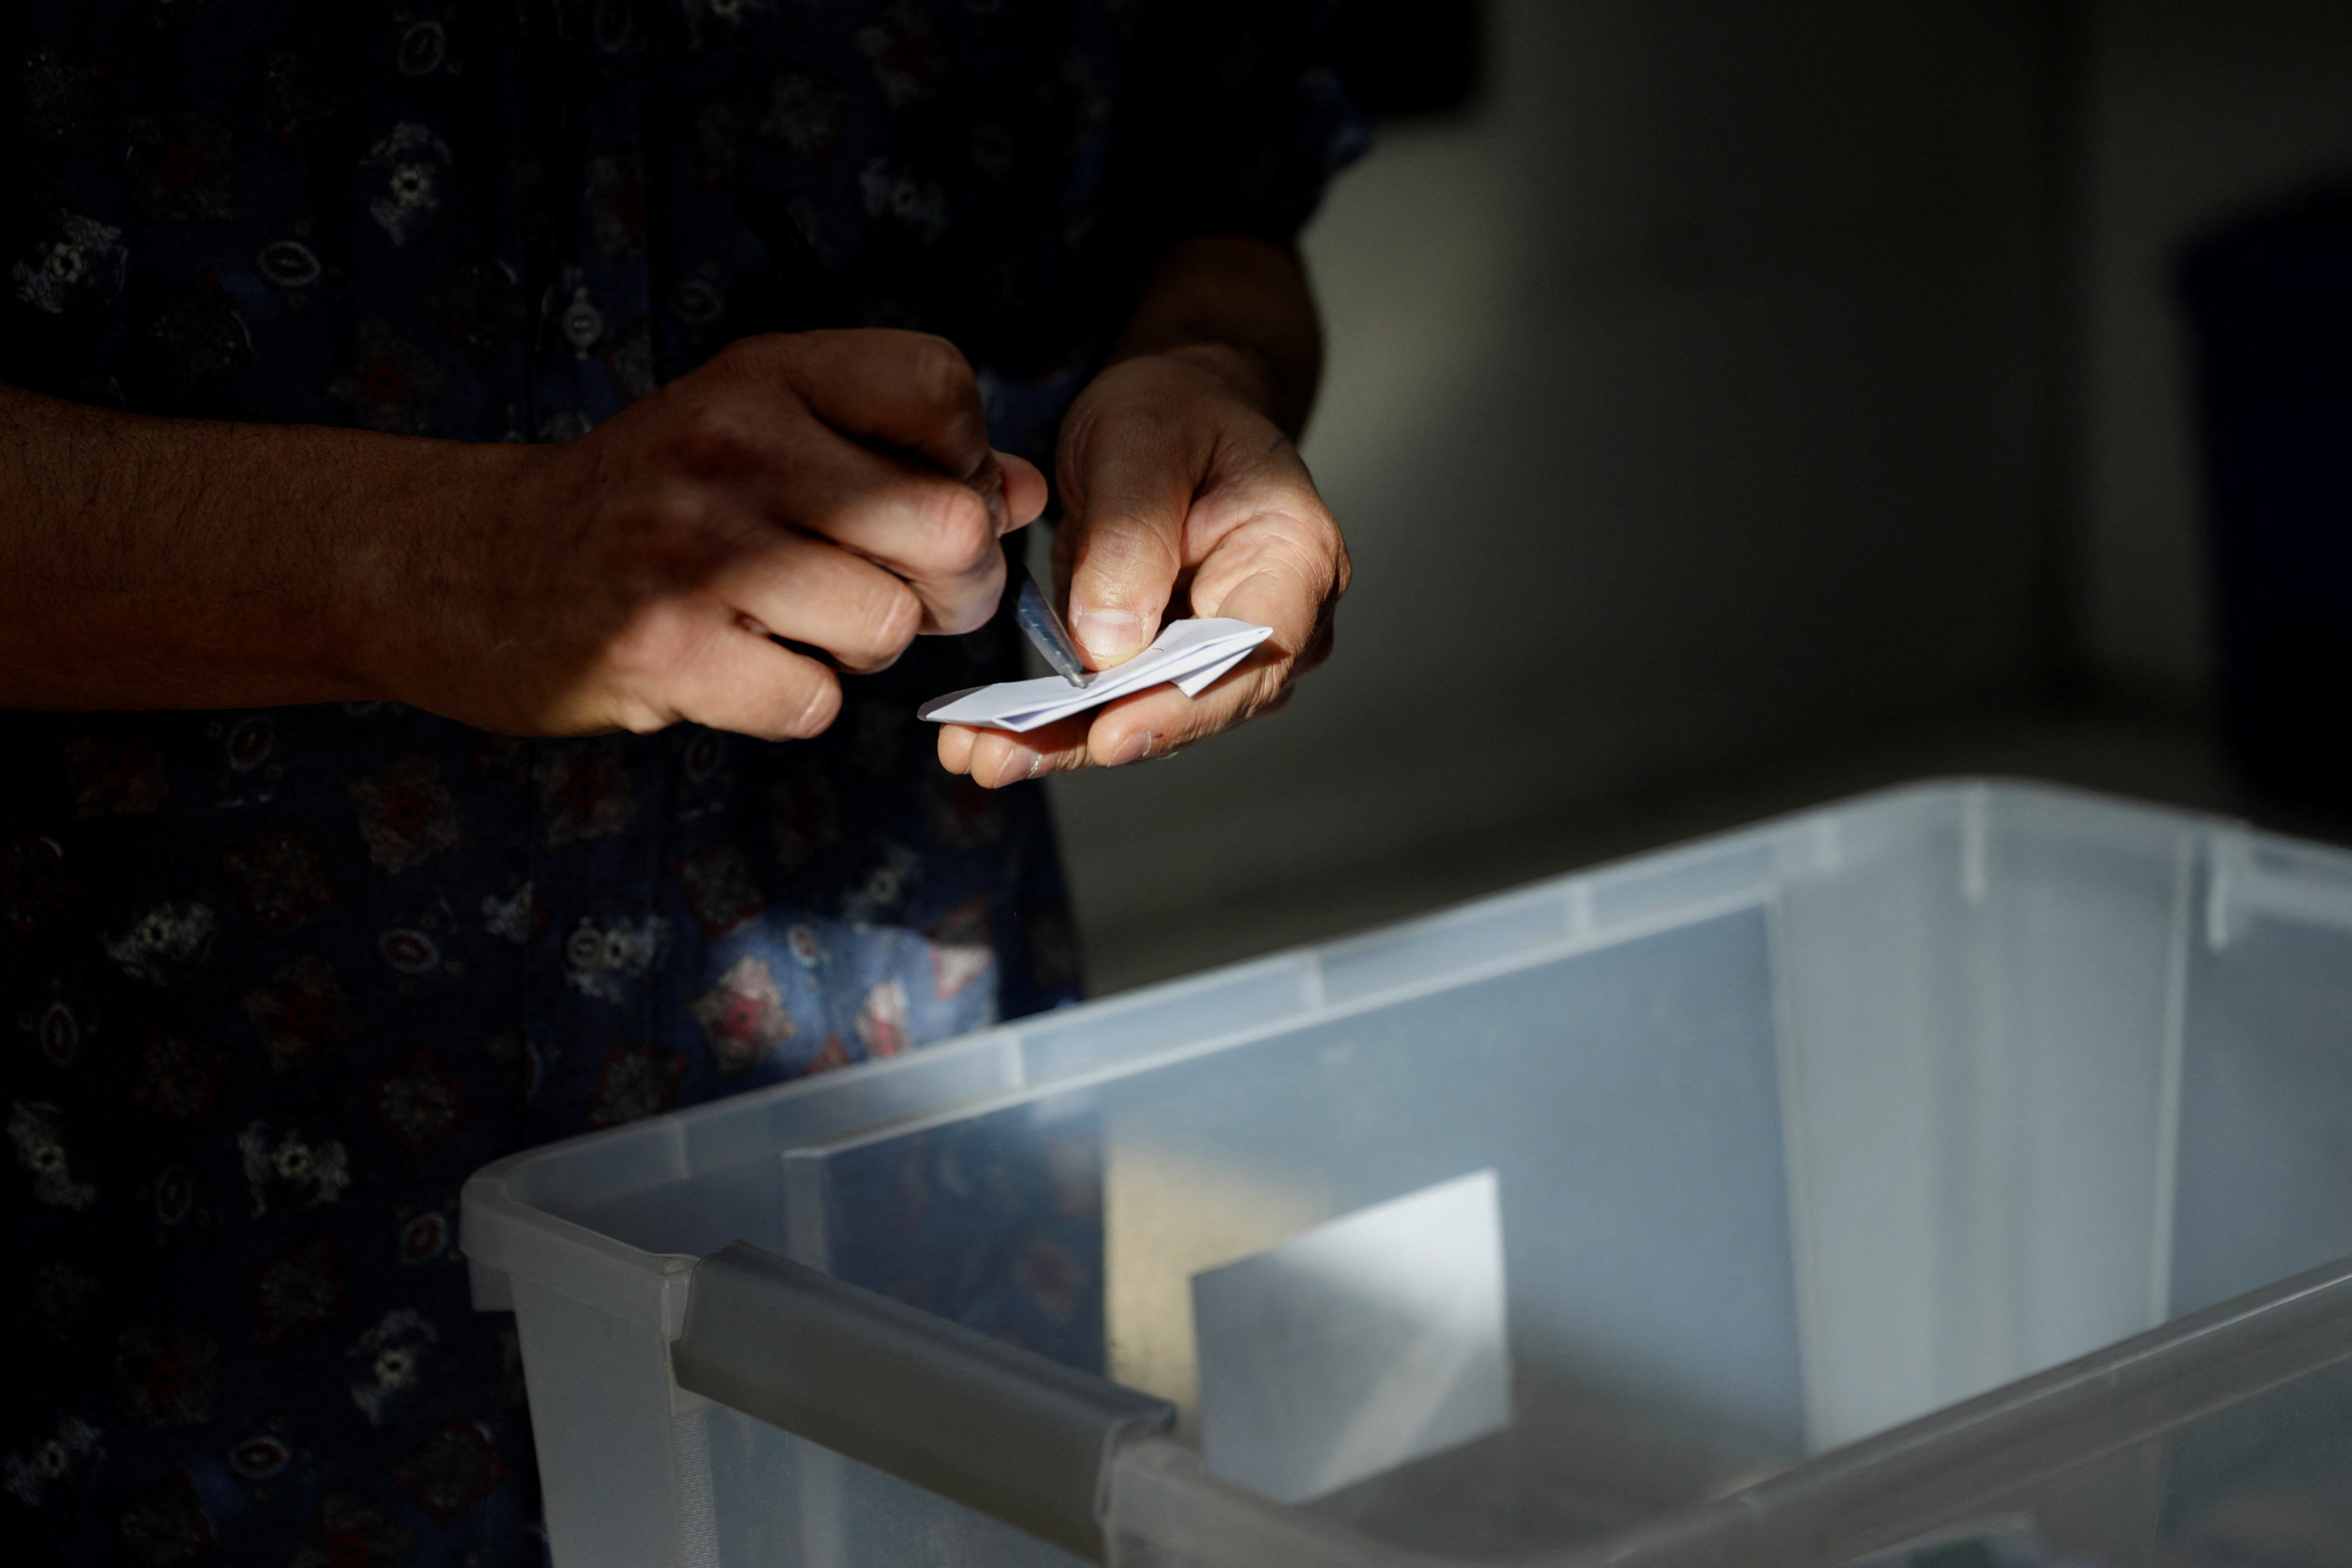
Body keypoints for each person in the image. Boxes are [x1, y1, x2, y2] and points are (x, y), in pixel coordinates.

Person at [0, 2, 1365, 1562]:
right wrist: (422, 561)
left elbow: (1224, 197)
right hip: (156, 1251)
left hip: (897, 1149)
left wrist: (1204, 368)